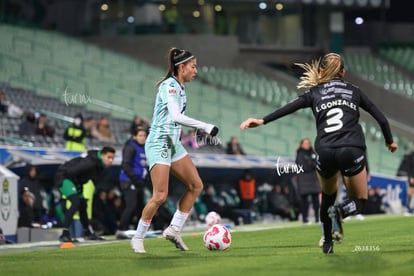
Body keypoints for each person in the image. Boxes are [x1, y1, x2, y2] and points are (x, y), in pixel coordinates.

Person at [240, 53, 398, 254]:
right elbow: (382, 119)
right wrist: (389, 141)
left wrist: (262, 120)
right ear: (343, 72)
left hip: (324, 151)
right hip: (351, 148)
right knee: (359, 200)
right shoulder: (354, 91)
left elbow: (290, 107)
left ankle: (327, 241)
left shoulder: (314, 93)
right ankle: (340, 212)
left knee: (328, 195)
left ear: (321, 72)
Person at [130, 47, 219, 254]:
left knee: (196, 185)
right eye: (193, 66)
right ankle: (138, 236)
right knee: (160, 196)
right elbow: (176, 116)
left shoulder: (180, 87)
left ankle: (174, 230)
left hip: (173, 143)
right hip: (159, 142)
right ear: (182, 67)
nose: (196, 71)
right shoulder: (170, 85)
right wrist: (205, 126)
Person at [54, 146, 116, 242]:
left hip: (75, 181)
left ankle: (87, 233)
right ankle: (64, 234)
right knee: (75, 202)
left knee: (83, 205)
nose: (111, 160)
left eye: (112, 158)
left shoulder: (99, 165)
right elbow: (71, 172)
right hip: (64, 177)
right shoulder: (90, 163)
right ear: (102, 156)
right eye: (109, 157)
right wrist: (77, 186)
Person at [116, 126, 148, 239]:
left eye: (144, 136)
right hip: (129, 181)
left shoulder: (144, 148)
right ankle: (121, 229)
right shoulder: (130, 147)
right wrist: (135, 179)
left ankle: (139, 230)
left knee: (140, 207)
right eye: (140, 135)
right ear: (134, 136)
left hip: (138, 182)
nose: (143, 138)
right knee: (131, 206)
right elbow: (125, 164)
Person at [295, 138, 321, 224]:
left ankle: (317, 218)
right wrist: (311, 163)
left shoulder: (313, 153)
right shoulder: (299, 154)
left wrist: (310, 163)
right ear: (301, 145)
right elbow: (303, 167)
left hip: (313, 179)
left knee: (315, 200)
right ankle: (305, 219)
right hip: (303, 180)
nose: (307, 145)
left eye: (308, 143)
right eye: (305, 143)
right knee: (304, 201)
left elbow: (317, 164)